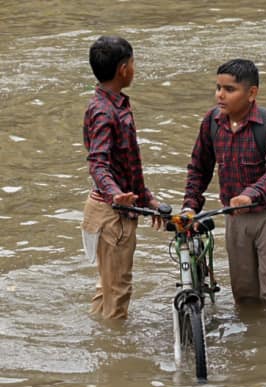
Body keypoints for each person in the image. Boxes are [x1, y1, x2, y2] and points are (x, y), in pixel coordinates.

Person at [182, 59, 266, 314]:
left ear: (252, 93)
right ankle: (252, 344)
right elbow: (199, 169)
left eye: (229, 89)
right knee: (244, 295)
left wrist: (249, 194)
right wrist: (190, 206)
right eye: (218, 87)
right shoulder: (211, 122)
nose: (220, 95)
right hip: (234, 219)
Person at [81, 35, 161, 320]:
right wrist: (115, 194)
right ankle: (114, 358)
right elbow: (98, 163)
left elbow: (124, 163)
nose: (134, 69)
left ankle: (101, 347)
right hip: (112, 214)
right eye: (133, 63)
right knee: (118, 292)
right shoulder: (105, 111)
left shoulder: (109, 105)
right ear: (123, 69)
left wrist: (147, 198)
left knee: (107, 289)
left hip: (109, 208)